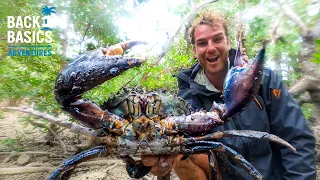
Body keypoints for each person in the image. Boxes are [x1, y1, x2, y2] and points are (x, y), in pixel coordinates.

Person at [141, 11, 316, 180]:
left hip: (272, 175)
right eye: (202, 43)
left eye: (217, 39)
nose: (211, 48)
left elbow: (296, 137)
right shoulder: (186, 98)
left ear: (228, 42)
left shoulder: (263, 79)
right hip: (221, 174)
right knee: (179, 150)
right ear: (194, 51)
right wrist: (160, 157)